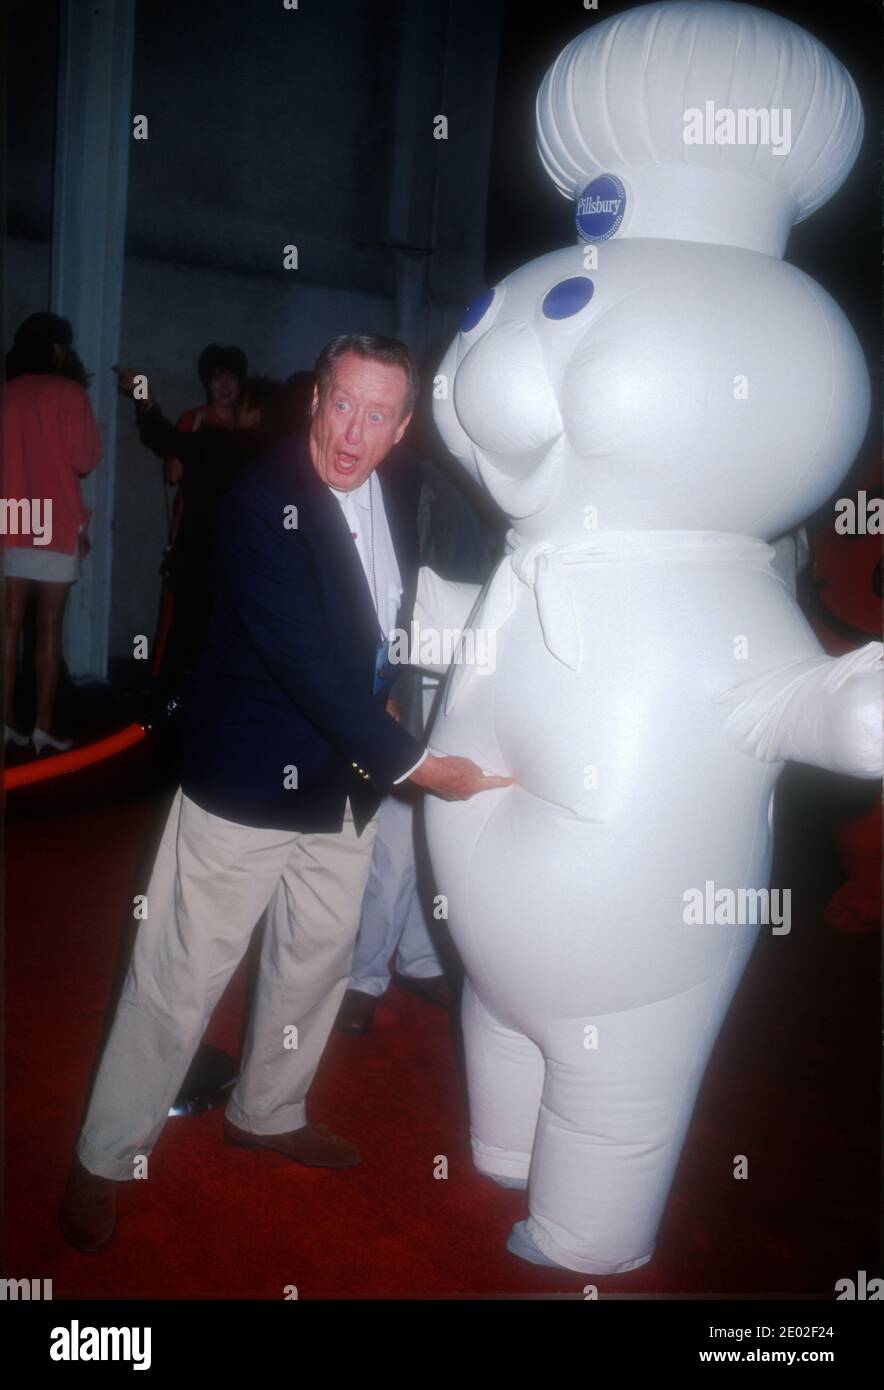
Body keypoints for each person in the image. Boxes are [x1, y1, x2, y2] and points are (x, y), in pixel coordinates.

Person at [60, 333, 511, 1252]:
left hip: (339, 791)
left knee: (314, 962)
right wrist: (420, 766)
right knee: (178, 980)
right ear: (316, 397)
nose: (354, 430)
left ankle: (267, 1109)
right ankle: (103, 1158)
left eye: (377, 413)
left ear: (402, 426)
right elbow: (304, 665)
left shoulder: (388, 488)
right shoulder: (264, 501)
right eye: (342, 402)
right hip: (249, 786)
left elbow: (380, 626)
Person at [116, 367, 283, 698]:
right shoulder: (278, 456)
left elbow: (160, 437)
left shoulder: (218, 442)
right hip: (248, 570)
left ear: (254, 411)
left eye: (243, 403)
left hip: (200, 561)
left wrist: (142, 393)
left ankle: (172, 711)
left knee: (185, 644)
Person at [2, 312, 101, 753]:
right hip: (55, 520)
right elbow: (85, 459)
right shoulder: (70, 393)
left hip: (14, 513)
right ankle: (42, 726)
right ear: (58, 349)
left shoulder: (6, 394)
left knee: (8, 626)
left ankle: (6, 721)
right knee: (47, 629)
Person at [151, 344, 248, 682]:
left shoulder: (249, 421)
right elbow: (173, 474)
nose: (223, 384)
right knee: (184, 616)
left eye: (230, 376)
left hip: (238, 536)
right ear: (207, 382)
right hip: (195, 531)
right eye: (216, 376)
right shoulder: (192, 417)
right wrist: (192, 435)